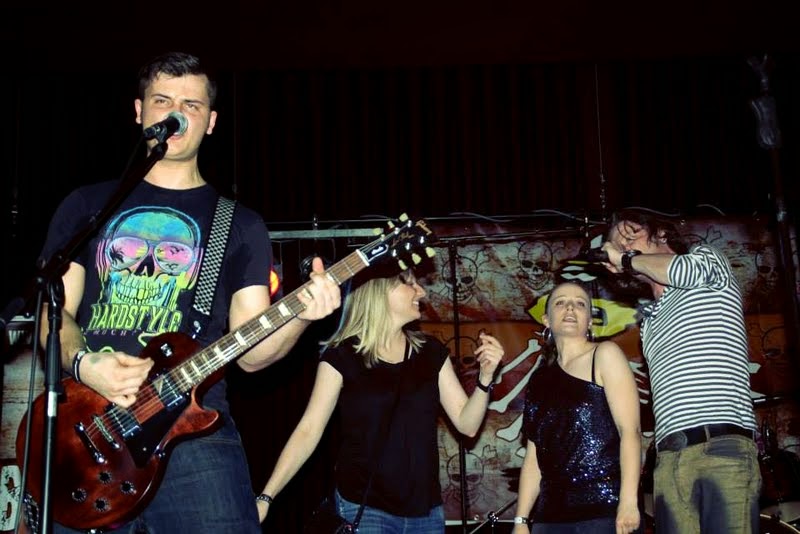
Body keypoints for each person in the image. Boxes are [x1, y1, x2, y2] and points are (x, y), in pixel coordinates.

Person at [34, 51, 341, 533]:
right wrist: (84, 364)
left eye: (191, 105)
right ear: (140, 112)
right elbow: (55, 313)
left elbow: (250, 355)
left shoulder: (239, 224)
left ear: (211, 122)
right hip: (88, 427)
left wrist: (302, 316)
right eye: (163, 101)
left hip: (195, 435)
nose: (176, 113)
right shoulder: (87, 206)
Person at [256, 268, 504, 533]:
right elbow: (308, 430)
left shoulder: (430, 352)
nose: (421, 292)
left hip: (426, 511)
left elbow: (467, 424)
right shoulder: (342, 356)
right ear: (379, 291)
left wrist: (485, 378)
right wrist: (266, 496)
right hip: (365, 509)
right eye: (410, 283)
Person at [600, 209, 760, 533]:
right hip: (669, 460)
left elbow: (683, 270)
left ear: (660, 233)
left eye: (630, 236)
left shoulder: (707, 261)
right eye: (617, 245)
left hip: (721, 447)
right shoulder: (650, 320)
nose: (623, 247)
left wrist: (627, 259)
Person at [513, 281, 642, 534]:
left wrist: (628, 502)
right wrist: (521, 520)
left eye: (580, 304)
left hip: (603, 511)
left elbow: (630, 431)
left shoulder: (605, 354)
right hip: (549, 516)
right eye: (561, 302)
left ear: (590, 321)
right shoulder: (539, 379)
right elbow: (533, 455)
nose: (570, 308)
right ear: (546, 319)